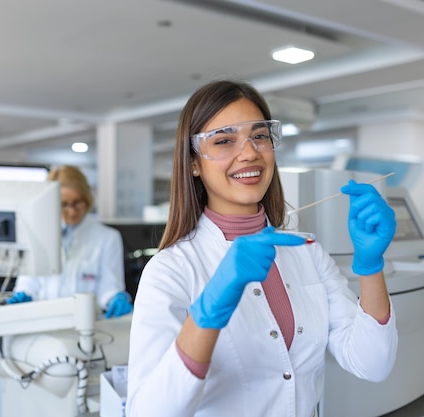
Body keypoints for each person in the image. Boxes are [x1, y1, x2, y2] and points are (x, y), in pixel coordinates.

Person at [125, 80, 398, 417]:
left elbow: (373, 364)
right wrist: (207, 315)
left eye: (259, 136)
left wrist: (371, 266)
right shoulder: (170, 270)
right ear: (193, 163)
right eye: (224, 140)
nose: (249, 152)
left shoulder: (305, 251)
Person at [6, 165, 133, 319]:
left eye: (77, 203)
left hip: (88, 328)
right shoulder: (37, 236)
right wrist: (24, 295)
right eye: (64, 204)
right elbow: (29, 283)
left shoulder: (107, 238)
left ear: (87, 199)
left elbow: (109, 287)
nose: (72, 211)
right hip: (42, 323)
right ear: (50, 202)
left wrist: (115, 297)